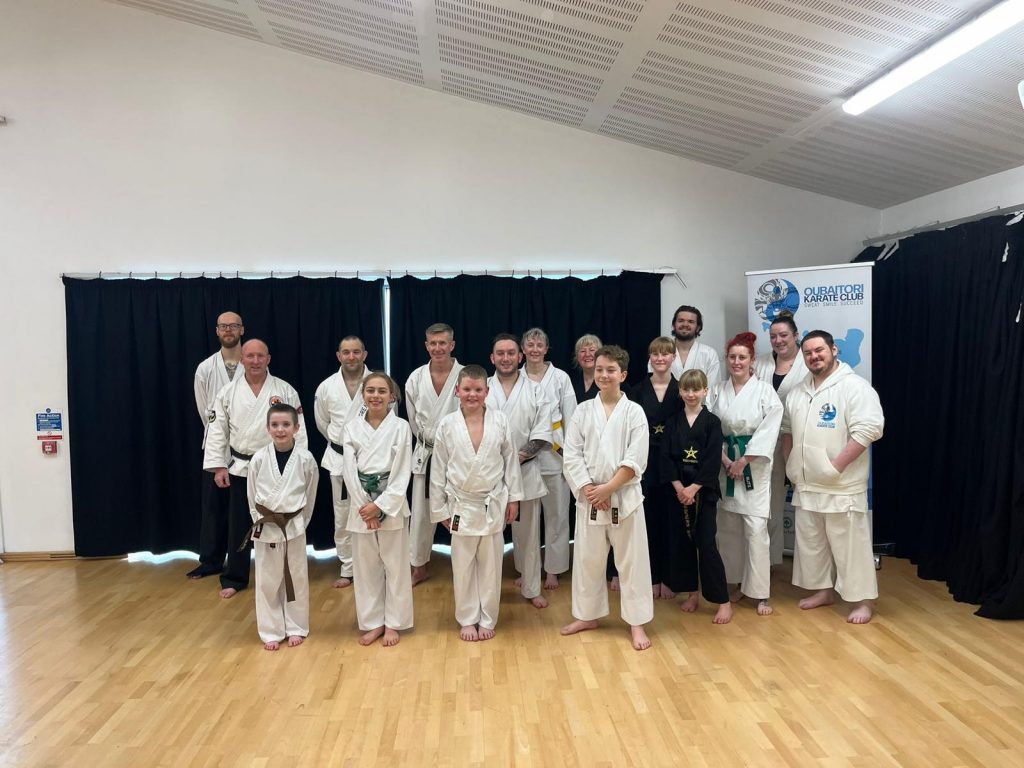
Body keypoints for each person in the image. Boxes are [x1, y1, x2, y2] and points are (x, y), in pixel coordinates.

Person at [782, 330, 884, 624]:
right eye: (808, 353)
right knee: (812, 544)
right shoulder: (798, 392)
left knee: (850, 547)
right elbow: (787, 430)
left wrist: (835, 467)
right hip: (807, 483)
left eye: (819, 350)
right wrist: (791, 465)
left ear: (834, 350)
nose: (814, 357)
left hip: (842, 484)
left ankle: (863, 601)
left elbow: (868, 430)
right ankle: (823, 591)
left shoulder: (855, 387)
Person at [561, 346, 653, 651]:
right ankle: (587, 616)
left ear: (623, 375)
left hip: (624, 498)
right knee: (587, 561)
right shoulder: (582, 411)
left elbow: (636, 459)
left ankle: (637, 623)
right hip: (589, 498)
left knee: (632, 563)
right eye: (599, 369)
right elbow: (571, 455)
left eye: (610, 370)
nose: (603, 375)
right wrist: (591, 489)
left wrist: (608, 489)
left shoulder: (634, 412)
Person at [203, 339, 307, 598]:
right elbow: (217, 430)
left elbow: (299, 428)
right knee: (239, 523)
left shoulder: (284, 389)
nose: (255, 361)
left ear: (268, 359)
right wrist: (218, 466)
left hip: (276, 465)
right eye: (250, 356)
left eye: (261, 356)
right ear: (242, 359)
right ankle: (235, 577)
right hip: (240, 466)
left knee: (277, 520)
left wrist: (299, 463)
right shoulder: (227, 392)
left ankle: (279, 573)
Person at [430, 366, 523, 642]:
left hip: (492, 501)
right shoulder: (447, 424)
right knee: (463, 566)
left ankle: (488, 617)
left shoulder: (500, 421)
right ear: (457, 391)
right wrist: (439, 508)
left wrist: (514, 498)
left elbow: (510, 461)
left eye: (478, 389)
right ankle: (467, 618)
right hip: (461, 503)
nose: (472, 394)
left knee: (491, 566)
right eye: (467, 389)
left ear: (487, 391)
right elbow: (438, 469)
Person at [709, 332, 782, 616]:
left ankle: (761, 592)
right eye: (732, 357)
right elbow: (709, 427)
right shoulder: (717, 390)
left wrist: (744, 461)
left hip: (755, 465)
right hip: (724, 462)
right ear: (726, 359)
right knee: (728, 526)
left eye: (742, 357)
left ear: (752, 361)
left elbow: (769, 429)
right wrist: (726, 460)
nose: (737, 362)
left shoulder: (765, 392)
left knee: (755, 528)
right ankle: (737, 582)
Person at [342, 372, 414, 647]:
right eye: (370, 390)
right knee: (366, 569)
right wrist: (366, 507)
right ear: (363, 395)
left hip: (391, 504)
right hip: (361, 505)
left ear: (392, 397)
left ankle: (394, 622)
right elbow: (349, 471)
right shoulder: (351, 428)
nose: (375, 396)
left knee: (396, 566)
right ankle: (373, 622)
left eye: (382, 391)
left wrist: (380, 506)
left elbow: (402, 470)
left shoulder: (401, 427)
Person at [244, 403, 318, 650]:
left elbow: (310, 494)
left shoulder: (306, 459)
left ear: (296, 428)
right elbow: (251, 495)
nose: (280, 429)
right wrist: (259, 520)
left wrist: (300, 522)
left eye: (286, 424)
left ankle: (296, 627)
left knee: (296, 577)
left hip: (293, 525)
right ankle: (271, 630)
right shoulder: (258, 459)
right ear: (267, 428)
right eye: (275, 425)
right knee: (267, 579)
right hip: (266, 525)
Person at [487, 333, 553, 609]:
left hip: (525, 471)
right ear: (492, 358)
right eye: (500, 353)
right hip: (488, 474)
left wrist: (514, 460)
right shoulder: (482, 388)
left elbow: (542, 434)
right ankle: (486, 591)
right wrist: (496, 462)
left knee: (529, 535)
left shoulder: (536, 390)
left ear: (520, 357)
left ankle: (532, 587)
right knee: (487, 537)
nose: (505, 358)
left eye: (510, 353)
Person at [661, 369, 732, 623]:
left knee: (706, 544)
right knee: (684, 544)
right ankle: (693, 593)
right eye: (686, 389)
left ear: (705, 391)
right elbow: (666, 457)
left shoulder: (712, 422)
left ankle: (723, 601)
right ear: (680, 391)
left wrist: (693, 488)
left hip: (704, 492)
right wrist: (680, 487)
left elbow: (713, 459)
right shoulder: (673, 421)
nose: (691, 394)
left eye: (696, 389)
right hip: (678, 492)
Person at [405, 323, 464, 587]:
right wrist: (428, 441)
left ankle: (465, 564)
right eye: (433, 343)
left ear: (452, 345)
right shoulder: (416, 378)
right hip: (426, 452)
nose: (438, 348)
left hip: (459, 453)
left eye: (443, 343)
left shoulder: (465, 375)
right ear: (426, 345)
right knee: (421, 512)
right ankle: (419, 566)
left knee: (460, 508)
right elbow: (412, 418)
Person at [188, 311, 244, 579]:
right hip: (217, 446)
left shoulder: (253, 363)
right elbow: (205, 411)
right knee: (214, 508)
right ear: (217, 331)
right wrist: (218, 437)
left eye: (233, 325)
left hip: (247, 446)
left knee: (243, 509)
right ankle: (211, 560)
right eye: (224, 326)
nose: (228, 330)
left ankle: (241, 561)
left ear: (242, 330)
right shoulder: (205, 368)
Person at [314, 336, 371, 588]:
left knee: (374, 512)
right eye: (346, 352)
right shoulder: (326, 387)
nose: (351, 357)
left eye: (356, 352)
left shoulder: (377, 382)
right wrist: (343, 444)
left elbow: (390, 419)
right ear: (338, 356)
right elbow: (322, 422)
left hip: (373, 459)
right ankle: (348, 566)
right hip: (339, 458)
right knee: (343, 514)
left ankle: (373, 565)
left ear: (364, 355)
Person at [522, 328, 576, 589]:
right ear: (523, 349)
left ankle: (553, 569)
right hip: (524, 456)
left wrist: (571, 457)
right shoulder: (517, 377)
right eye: (530, 345)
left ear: (546, 349)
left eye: (539, 345)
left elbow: (571, 417)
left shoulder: (561, 377)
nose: (534, 349)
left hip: (555, 455)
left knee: (557, 516)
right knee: (525, 520)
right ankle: (526, 569)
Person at [628, 337, 682, 600]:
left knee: (671, 523)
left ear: (673, 357)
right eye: (655, 354)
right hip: (645, 465)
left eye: (665, 354)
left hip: (674, 465)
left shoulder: (682, 390)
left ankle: (670, 578)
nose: (660, 358)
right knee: (647, 522)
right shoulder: (637, 390)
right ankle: (650, 577)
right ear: (650, 357)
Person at [754, 312, 807, 565]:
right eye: (773, 336)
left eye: (783, 335)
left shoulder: (808, 363)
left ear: (796, 335)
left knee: (806, 504)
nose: (778, 340)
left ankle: (812, 565)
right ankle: (769, 560)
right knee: (768, 504)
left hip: (799, 439)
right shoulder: (761, 363)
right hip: (766, 441)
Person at [660, 305, 721, 388]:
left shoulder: (709, 354)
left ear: (698, 327)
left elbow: (713, 388)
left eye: (691, 322)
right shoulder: (660, 352)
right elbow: (653, 383)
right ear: (674, 325)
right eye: (681, 320)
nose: (685, 324)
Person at [571, 334, 602, 403]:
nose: (587, 354)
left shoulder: (608, 381)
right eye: (583, 351)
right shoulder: (570, 382)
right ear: (577, 357)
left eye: (592, 350)